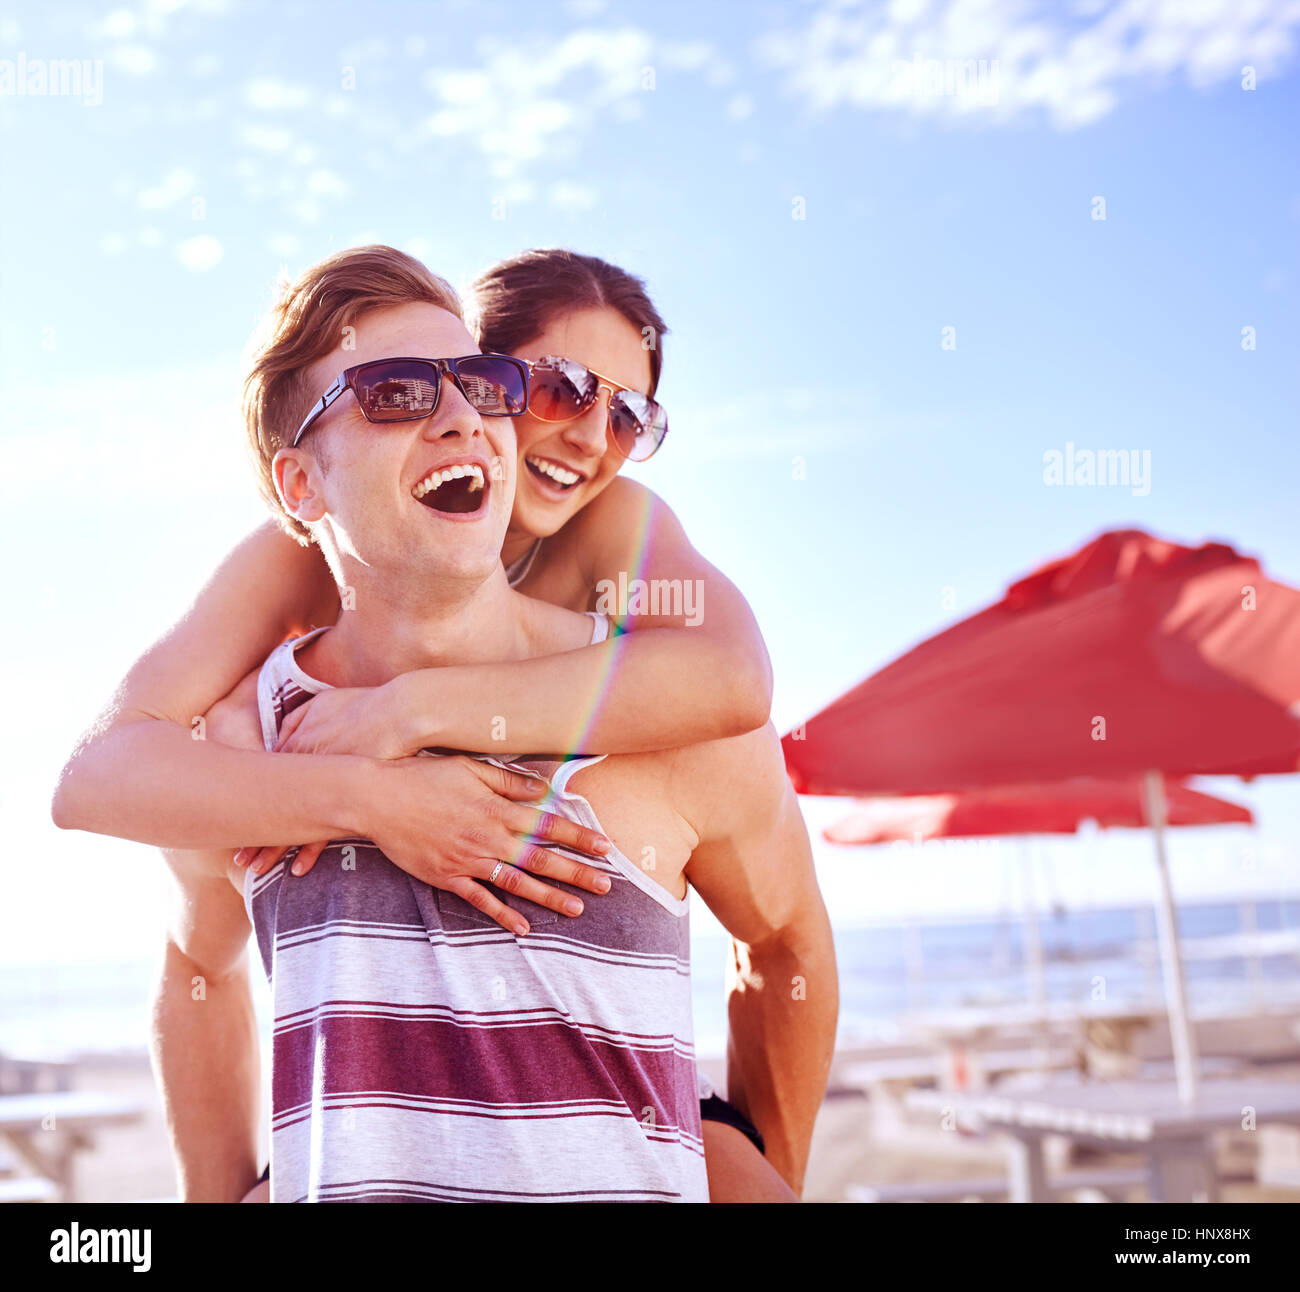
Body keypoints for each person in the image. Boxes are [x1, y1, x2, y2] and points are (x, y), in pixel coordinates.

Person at [52, 245, 833, 1199]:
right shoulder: (272, 636)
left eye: (629, 414)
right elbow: (103, 785)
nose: (591, 434)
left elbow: (735, 680)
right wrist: (370, 798)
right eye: (561, 386)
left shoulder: (623, 539)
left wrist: (759, 1172)